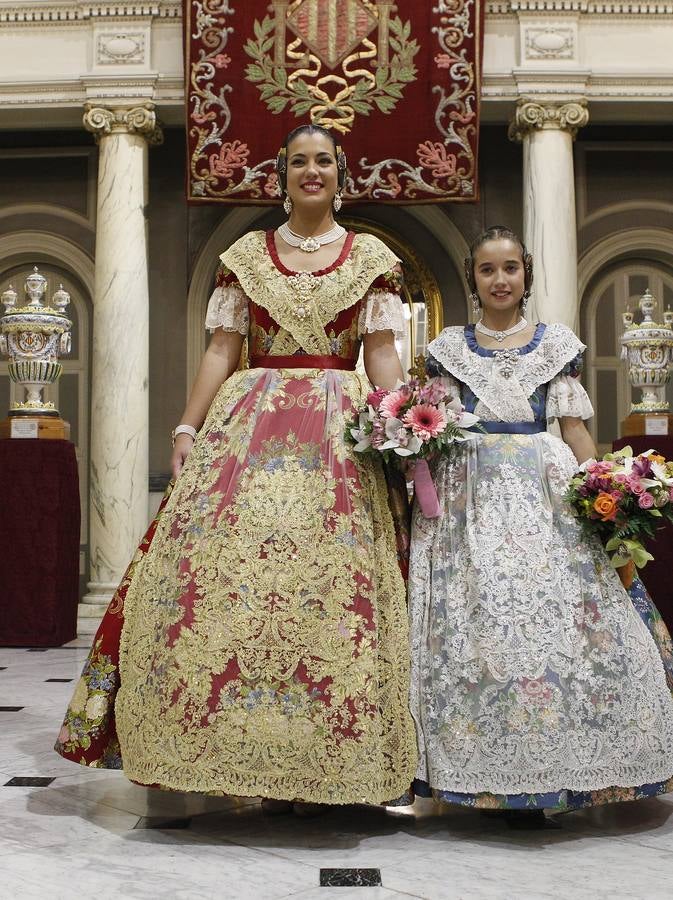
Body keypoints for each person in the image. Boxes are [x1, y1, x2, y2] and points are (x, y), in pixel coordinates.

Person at [55, 124, 418, 812]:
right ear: (280, 176)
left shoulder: (370, 255)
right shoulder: (245, 255)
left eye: (324, 162)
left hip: (340, 433)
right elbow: (224, 351)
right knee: (224, 587)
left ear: (342, 175)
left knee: (328, 591)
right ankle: (222, 745)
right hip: (248, 425)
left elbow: (380, 355)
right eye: (300, 163)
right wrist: (189, 424)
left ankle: (327, 749)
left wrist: (401, 422)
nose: (312, 172)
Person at [408, 225, 673, 827]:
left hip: (544, 495)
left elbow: (575, 431)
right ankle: (481, 774)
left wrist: (607, 491)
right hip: (467, 499)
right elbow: (435, 426)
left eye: (510, 268)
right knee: (481, 624)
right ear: (473, 280)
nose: (500, 280)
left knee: (551, 618)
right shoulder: (450, 348)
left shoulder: (556, 346)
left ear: (526, 274)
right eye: (487, 270)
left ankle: (557, 768)